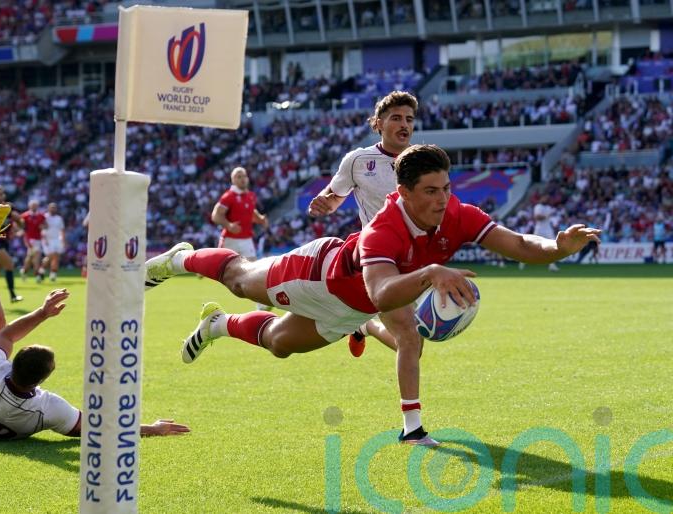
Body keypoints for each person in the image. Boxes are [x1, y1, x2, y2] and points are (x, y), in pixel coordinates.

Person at [144, 144, 600, 446]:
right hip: (317, 275)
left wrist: (556, 248)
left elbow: (519, 244)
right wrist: (430, 272)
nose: (443, 199)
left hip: (349, 310)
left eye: (446, 188)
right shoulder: (383, 228)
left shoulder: (457, 214)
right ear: (403, 192)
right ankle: (177, 259)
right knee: (241, 279)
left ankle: (218, 325)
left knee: (280, 345)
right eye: (430, 191)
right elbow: (382, 293)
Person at [0, 205, 189, 439]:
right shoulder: (49, 408)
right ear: (42, 381)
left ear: (10, 363)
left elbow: (3, 333)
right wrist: (151, 428)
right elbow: (97, 428)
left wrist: (42, 313)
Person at [309, 90, 418, 357]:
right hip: (378, 259)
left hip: (416, 258)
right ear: (378, 123)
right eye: (396, 118)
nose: (404, 124)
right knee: (408, 344)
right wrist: (323, 203)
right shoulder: (358, 160)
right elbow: (334, 197)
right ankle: (366, 324)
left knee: (411, 341)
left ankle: (363, 325)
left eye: (409, 119)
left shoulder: (422, 161)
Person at [211, 166, 269, 310]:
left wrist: (260, 219)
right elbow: (216, 215)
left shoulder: (250, 195)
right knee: (214, 266)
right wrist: (229, 225)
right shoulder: (228, 196)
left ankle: (261, 306)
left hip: (246, 239)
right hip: (230, 239)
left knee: (256, 270)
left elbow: (250, 211)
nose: (242, 179)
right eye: (239, 176)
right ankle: (199, 268)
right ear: (233, 180)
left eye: (244, 176)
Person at [520, 196, 559, 272]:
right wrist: (547, 215)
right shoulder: (538, 206)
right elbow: (537, 217)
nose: (546, 199)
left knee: (554, 246)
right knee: (532, 247)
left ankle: (552, 265)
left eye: (547, 198)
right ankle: (522, 261)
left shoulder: (548, 207)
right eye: (544, 198)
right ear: (541, 199)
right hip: (539, 229)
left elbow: (549, 217)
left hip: (548, 229)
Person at [20, 200, 46, 283]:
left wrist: (42, 227)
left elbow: (45, 226)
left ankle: (24, 271)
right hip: (29, 239)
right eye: (32, 205)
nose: (34, 207)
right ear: (29, 206)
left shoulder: (41, 216)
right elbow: (22, 228)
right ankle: (37, 275)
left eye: (35, 205)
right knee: (35, 257)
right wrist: (25, 239)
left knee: (31, 258)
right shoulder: (25, 216)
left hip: (38, 239)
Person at [41, 202, 65, 282]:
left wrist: (63, 240)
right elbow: (42, 228)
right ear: (48, 208)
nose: (53, 209)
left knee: (56, 257)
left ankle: (53, 274)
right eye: (51, 207)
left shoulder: (59, 218)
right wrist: (44, 238)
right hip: (48, 239)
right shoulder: (44, 217)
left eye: (54, 207)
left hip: (57, 239)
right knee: (50, 256)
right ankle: (42, 269)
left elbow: (62, 230)